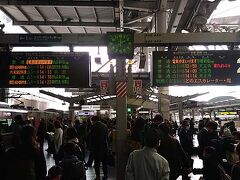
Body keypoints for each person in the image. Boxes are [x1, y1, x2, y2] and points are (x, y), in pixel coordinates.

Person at [89, 116, 109, 180]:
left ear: (94, 120)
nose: (91, 122)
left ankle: (97, 176)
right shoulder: (105, 126)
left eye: (92, 121)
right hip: (104, 147)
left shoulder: (94, 127)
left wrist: (90, 147)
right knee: (104, 163)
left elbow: (92, 138)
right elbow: (107, 137)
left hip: (96, 147)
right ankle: (105, 175)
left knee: (97, 163)